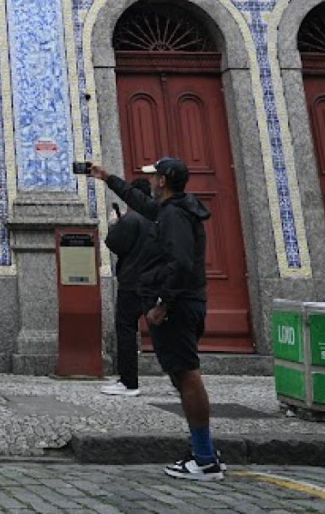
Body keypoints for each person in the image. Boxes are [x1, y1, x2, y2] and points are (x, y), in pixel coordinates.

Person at [90, 158, 222, 481]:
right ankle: (203, 451)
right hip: (182, 302)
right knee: (182, 375)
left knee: (187, 375)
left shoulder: (174, 215)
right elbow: (140, 202)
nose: (149, 181)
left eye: (153, 177)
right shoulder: (169, 210)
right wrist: (107, 178)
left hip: (177, 306)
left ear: (163, 181)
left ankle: (205, 458)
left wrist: (163, 303)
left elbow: (180, 262)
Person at [102, 177, 156, 398]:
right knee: (163, 334)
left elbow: (113, 243)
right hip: (155, 283)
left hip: (132, 283)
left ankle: (129, 382)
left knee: (126, 330)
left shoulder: (132, 219)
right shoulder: (159, 218)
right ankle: (180, 379)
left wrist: (115, 223)